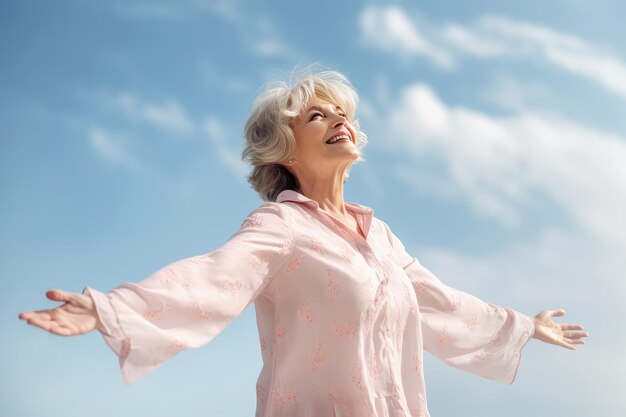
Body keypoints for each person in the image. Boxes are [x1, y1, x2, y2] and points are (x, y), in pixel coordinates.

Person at [19, 69, 589, 417]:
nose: (340, 119)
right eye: (318, 115)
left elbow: (439, 304)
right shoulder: (281, 226)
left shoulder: (381, 236)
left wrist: (522, 325)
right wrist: (108, 309)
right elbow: (213, 277)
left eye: (342, 112)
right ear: (286, 152)